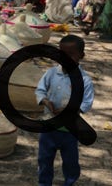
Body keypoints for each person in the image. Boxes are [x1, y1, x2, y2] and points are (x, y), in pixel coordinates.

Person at [35, 34, 94, 186]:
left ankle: (70, 181)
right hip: (49, 126)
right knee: (44, 159)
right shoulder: (51, 73)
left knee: (70, 161)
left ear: (81, 56)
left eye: (71, 55)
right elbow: (40, 90)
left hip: (70, 130)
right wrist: (46, 101)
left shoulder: (85, 80)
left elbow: (86, 103)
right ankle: (44, 183)